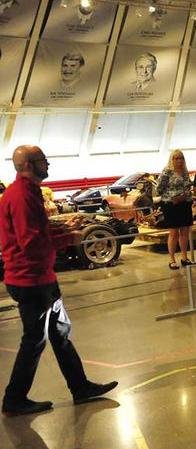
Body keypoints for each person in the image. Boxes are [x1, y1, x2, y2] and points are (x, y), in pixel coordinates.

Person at [0, 145, 117, 416]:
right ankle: (14, 399)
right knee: (35, 340)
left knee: (60, 334)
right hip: (30, 280)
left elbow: (35, 232)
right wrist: (69, 239)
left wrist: (64, 227)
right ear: (29, 165)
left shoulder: (28, 193)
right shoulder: (20, 196)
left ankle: (80, 387)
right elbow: (30, 244)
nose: (48, 164)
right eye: (43, 160)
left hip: (43, 278)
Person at [156, 149, 194, 269]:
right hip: (171, 205)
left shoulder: (184, 171)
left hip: (185, 203)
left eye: (181, 158)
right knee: (173, 232)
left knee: (185, 231)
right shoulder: (167, 171)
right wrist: (173, 197)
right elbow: (158, 189)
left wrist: (184, 195)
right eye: (176, 158)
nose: (179, 161)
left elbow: (188, 186)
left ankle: (184, 257)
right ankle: (172, 259)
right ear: (172, 159)